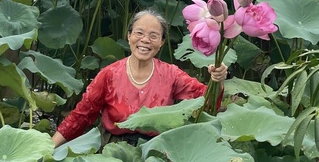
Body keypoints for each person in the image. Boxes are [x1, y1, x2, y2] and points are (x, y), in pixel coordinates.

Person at [51, 9, 228, 147]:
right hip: (113, 149)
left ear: (162, 42)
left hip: (156, 148)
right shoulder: (109, 74)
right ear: (129, 36)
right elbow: (82, 115)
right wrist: (50, 147)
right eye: (139, 33)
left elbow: (206, 102)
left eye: (154, 36)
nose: (145, 40)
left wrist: (218, 80)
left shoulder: (171, 74)